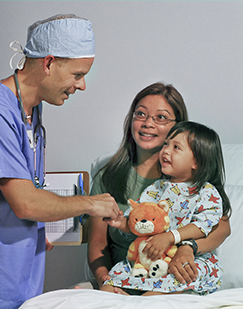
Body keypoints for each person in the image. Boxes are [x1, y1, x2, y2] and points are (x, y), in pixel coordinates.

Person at [0, 14, 119, 309]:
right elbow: (26, 203)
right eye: (78, 74)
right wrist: (91, 204)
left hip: (18, 272)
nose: (83, 85)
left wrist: (34, 233)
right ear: (48, 63)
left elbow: (21, 191)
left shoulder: (30, 109)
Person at [88, 82, 231, 291]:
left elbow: (220, 227)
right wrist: (106, 282)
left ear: (178, 126)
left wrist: (187, 247)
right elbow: (98, 244)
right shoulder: (111, 178)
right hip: (131, 272)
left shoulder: (192, 180)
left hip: (176, 269)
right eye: (141, 114)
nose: (148, 123)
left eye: (161, 117)